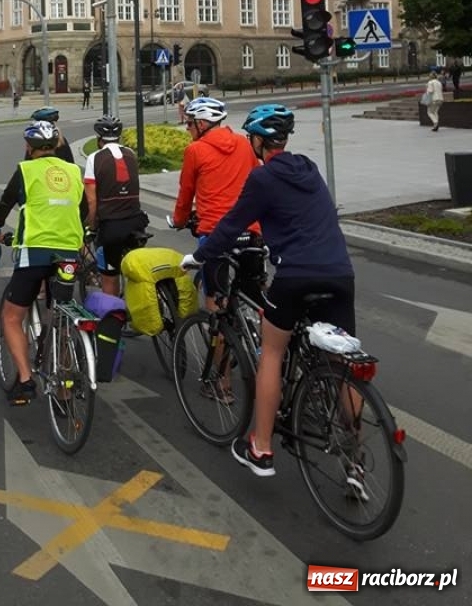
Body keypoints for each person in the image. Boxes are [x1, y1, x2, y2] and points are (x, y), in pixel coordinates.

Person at [181, 104, 355, 480]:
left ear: (259, 141)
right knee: (342, 361)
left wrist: (198, 257)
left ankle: (260, 448)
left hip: (297, 274)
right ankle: (354, 455)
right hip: (340, 272)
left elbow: (231, 225)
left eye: (251, 138)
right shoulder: (308, 167)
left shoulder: (263, 178)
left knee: (272, 352)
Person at [0, 120, 88, 405]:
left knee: (11, 317)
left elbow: (4, 206)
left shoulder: (26, 170)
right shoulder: (73, 171)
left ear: (28, 147)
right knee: (62, 316)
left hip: (35, 252)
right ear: (56, 145)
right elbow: (83, 211)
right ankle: (65, 388)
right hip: (69, 253)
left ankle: (25, 380)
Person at [170, 95, 260, 309]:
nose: (187, 128)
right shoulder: (243, 143)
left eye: (189, 123)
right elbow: (257, 179)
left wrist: (179, 220)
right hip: (250, 229)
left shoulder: (195, 150)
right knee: (253, 292)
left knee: (215, 297)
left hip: (215, 232)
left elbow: (186, 193)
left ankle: (217, 328)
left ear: (202, 124)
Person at [83, 115, 148, 296]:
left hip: (111, 226)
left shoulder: (94, 158)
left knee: (110, 276)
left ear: (99, 139)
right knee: (135, 269)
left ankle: (113, 312)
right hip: (136, 221)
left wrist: (92, 226)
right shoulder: (131, 154)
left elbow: (91, 200)